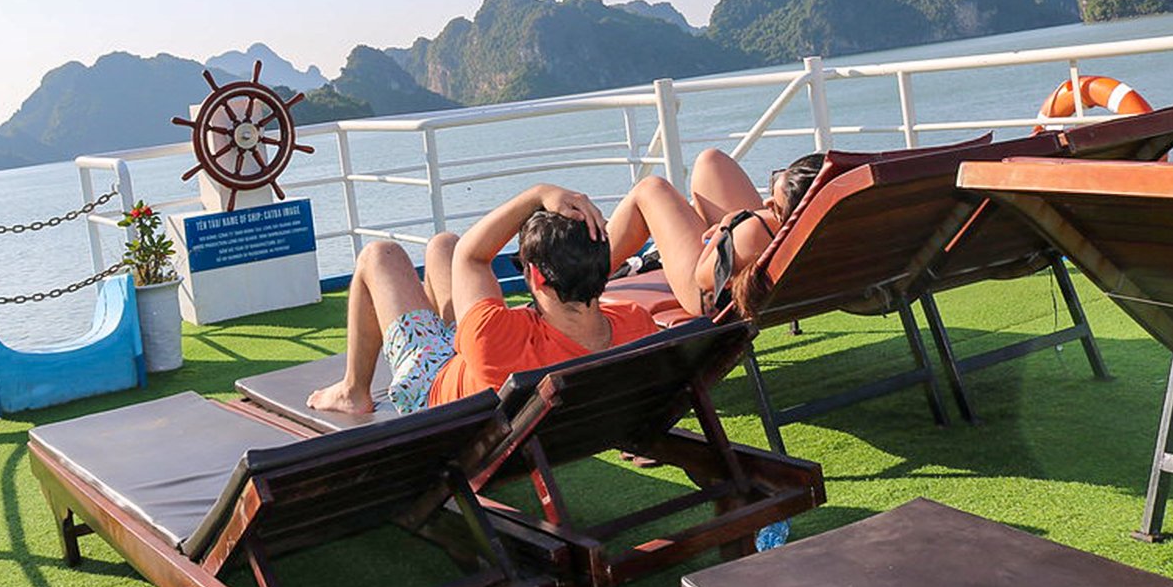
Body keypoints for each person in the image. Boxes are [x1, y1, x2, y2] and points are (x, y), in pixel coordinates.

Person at [307, 183, 661, 415]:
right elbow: (461, 254)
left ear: (535, 276)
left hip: (433, 385)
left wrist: (538, 194)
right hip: (480, 368)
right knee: (443, 244)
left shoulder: (495, 335)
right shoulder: (635, 322)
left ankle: (353, 391)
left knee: (379, 255)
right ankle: (436, 332)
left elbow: (472, 256)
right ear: (603, 267)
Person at [606, 149, 825, 319]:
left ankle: (582, 276)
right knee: (712, 161)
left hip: (710, 296)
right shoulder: (829, 222)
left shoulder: (752, 232)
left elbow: (703, 277)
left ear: (794, 215)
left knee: (651, 189)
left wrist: (727, 225)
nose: (766, 203)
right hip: (777, 263)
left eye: (776, 207)